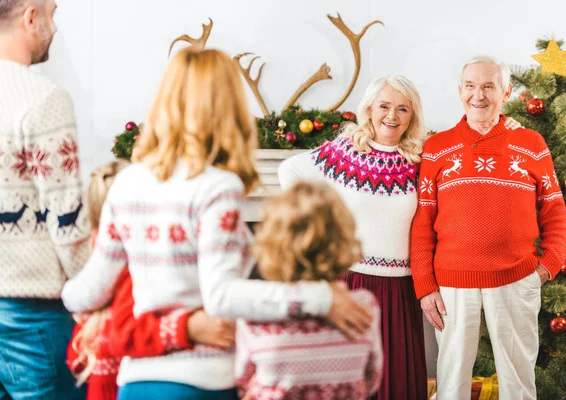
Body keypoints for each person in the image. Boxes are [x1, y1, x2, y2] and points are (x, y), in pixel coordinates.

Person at [61, 47, 372, 400]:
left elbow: (84, 293)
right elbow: (222, 295)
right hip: (202, 383)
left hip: (136, 384)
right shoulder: (217, 187)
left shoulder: (127, 183)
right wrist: (320, 297)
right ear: (227, 106)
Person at [278, 74, 523, 400]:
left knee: (396, 383)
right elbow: (289, 171)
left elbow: (471, 161)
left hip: (402, 288)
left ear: (412, 115)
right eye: (384, 106)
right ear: (369, 109)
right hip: (352, 284)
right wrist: (319, 226)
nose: (392, 116)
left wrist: (506, 132)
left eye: (402, 109)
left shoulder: (425, 157)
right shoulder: (344, 153)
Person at [411, 56, 566, 400]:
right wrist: (424, 284)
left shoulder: (532, 144)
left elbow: (554, 208)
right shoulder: (436, 148)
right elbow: (423, 220)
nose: (478, 95)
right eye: (470, 86)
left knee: (519, 382)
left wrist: (548, 265)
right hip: (451, 282)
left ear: (506, 92)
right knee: (450, 381)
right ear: (460, 91)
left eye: (488, 86)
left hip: (516, 277)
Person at [0, 0, 89, 398]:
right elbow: (67, 219)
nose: (55, 28)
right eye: (52, 13)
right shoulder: (44, 99)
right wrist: (96, 294)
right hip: (31, 314)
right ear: (30, 17)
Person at [67, 159, 237, 400]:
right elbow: (123, 334)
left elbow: (76, 358)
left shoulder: (96, 307)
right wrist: (187, 328)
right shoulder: (132, 275)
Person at [236, 181, 383, 400]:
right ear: (343, 238)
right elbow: (372, 380)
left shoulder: (256, 313)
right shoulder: (364, 305)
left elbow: (239, 381)